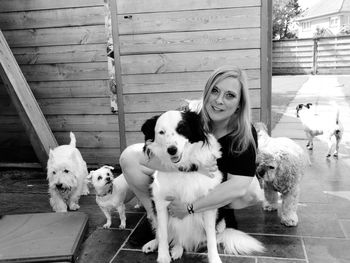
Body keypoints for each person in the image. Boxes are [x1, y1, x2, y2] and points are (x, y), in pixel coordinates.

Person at [119, 65, 263, 225]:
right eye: (215, 91)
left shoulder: (244, 133)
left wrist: (189, 208)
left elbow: (238, 186)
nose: (219, 100)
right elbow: (156, 150)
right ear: (206, 92)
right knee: (129, 157)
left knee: (250, 191)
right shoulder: (187, 115)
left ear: (239, 104)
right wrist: (190, 167)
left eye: (230, 95)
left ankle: (216, 214)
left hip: (211, 187)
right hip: (180, 178)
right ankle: (156, 217)